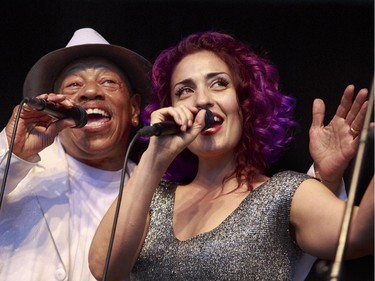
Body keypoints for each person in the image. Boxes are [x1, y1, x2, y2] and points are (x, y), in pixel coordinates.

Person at [88, 31, 373, 281]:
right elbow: (104, 268)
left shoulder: (284, 194)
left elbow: (361, 235)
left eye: (219, 84)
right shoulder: (153, 198)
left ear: (245, 103)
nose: (201, 100)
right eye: (184, 90)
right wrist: (154, 158)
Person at [0, 28, 151, 281]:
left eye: (108, 82)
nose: (90, 92)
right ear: (55, 109)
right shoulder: (16, 169)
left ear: (134, 109)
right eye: (74, 85)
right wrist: (11, 151)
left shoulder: (155, 193)